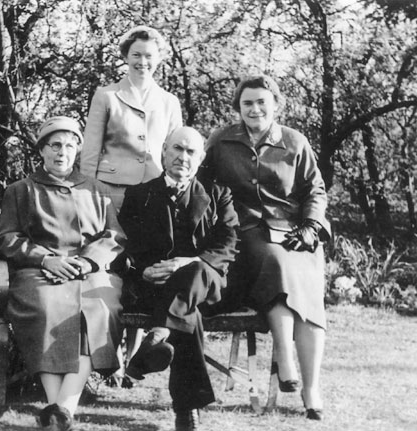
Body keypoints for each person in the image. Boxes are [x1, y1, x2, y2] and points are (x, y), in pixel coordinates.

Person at [199, 75, 331, 421]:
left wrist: (311, 226)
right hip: (246, 232)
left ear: (275, 104)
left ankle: (310, 387)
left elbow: (315, 190)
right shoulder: (221, 140)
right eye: (247, 104)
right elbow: (201, 186)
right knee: (273, 260)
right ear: (238, 108)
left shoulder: (294, 141)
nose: (255, 109)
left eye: (262, 102)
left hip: (294, 232)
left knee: (307, 291)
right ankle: (286, 360)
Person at [0, 116, 126, 430]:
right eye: (55, 145)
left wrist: (87, 262)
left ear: (77, 150)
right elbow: (7, 238)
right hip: (40, 274)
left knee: (96, 309)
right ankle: (62, 410)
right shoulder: (21, 190)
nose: (62, 152)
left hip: (89, 272)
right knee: (46, 307)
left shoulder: (95, 189)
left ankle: (59, 410)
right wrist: (44, 259)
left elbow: (114, 236)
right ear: (41, 150)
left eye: (69, 146)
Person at [118, 127, 239, 431]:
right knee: (187, 317)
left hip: (204, 285)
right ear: (164, 152)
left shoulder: (218, 195)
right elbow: (127, 245)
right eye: (177, 149)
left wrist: (189, 262)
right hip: (157, 289)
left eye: (191, 152)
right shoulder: (140, 195)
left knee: (195, 270)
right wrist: (141, 269)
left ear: (200, 159)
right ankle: (187, 413)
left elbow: (227, 245)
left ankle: (159, 330)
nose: (183, 157)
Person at [81, 24, 184, 384]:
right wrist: (88, 195)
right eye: (136, 55)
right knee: (114, 267)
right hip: (112, 194)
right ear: (126, 56)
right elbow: (91, 151)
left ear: (159, 60)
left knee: (144, 263)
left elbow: (176, 150)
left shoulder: (169, 102)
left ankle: (132, 356)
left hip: (153, 199)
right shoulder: (106, 96)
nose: (143, 62)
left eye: (149, 57)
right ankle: (107, 359)